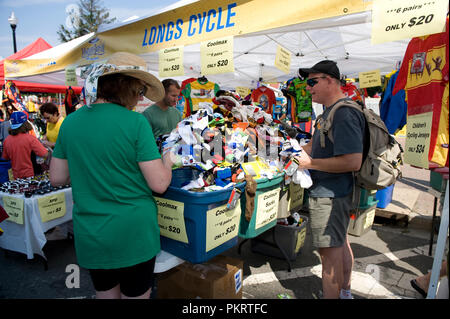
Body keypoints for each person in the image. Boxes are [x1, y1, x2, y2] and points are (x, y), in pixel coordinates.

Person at [49, 51, 174, 300]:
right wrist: (168, 157)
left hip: (92, 233)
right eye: (139, 91)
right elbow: (159, 184)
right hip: (133, 233)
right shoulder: (135, 123)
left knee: (105, 295)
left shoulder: (71, 122)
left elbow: (57, 178)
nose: (139, 98)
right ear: (124, 86)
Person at [294, 60, 366, 299]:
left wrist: (310, 164)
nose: (308, 88)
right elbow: (315, 147)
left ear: (330, 80)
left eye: (313, 82)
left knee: (329, 258)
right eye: (307, 83)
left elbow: (352, 161)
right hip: (334, 193)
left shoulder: (343, 113)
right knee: (340, 244)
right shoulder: (329, 113)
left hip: (331, 196)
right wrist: (291, 151)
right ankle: (345, 293)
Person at [2, 111, 49, 179]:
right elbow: (45, 154)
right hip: (30, 175)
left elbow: (5, 157)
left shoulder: (7, 140)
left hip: (15, 175)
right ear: (26, 123)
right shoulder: (30, 139)